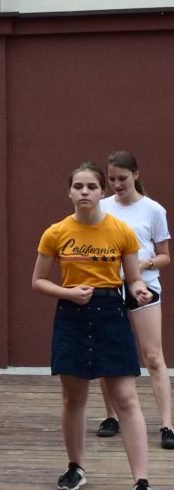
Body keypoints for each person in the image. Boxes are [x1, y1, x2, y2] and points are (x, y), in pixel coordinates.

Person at [32, 162, 155, 490]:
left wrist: (139, 288)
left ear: (103, 191)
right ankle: (76, 467)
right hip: (71, 314)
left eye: (91, 186)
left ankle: (142, 483)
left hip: (110, 313)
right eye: (78, 187)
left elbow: (132, 277)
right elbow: (38, 281)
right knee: (73, 398)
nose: (84, 192)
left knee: (126, 399)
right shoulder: (56, 232)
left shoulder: (121, 231)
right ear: (69, 192)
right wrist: (68, 293)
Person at [95, 151, 174, 449]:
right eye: (112, 179)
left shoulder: (153, 209)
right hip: (107, 287)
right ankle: (111, 416)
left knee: (153, 355)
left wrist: (143, 264)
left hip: (144, 286)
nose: (117, 184)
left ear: (136, 175)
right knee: (107, 353)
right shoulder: (102, 207)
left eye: (122, 178)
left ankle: (167, 424)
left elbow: (165, 256)